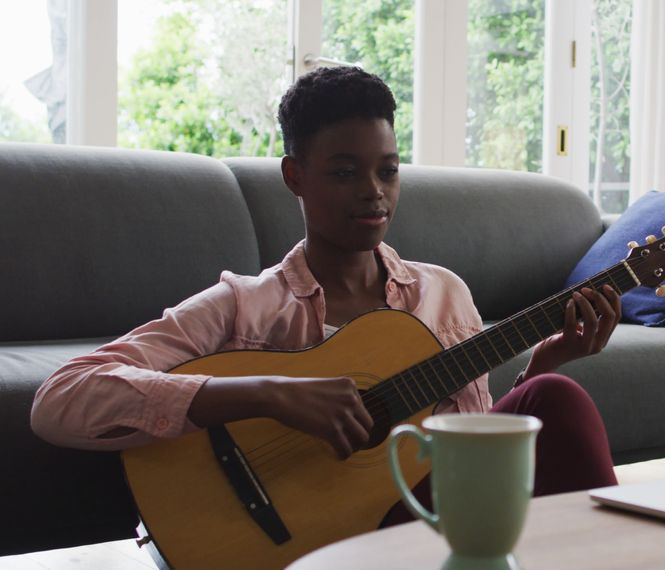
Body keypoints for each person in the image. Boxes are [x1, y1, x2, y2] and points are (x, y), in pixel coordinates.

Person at [30, 65, 619, 526]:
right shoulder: (243, 306)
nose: (374, 193)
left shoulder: (444, 293)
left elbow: (464, 445)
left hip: (431, 516)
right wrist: (265, 393)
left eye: (387, 171)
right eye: (344, 172)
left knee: (553, 394)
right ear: (295, 177)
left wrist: (544, 364)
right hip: (315, 529)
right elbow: (61, 399)